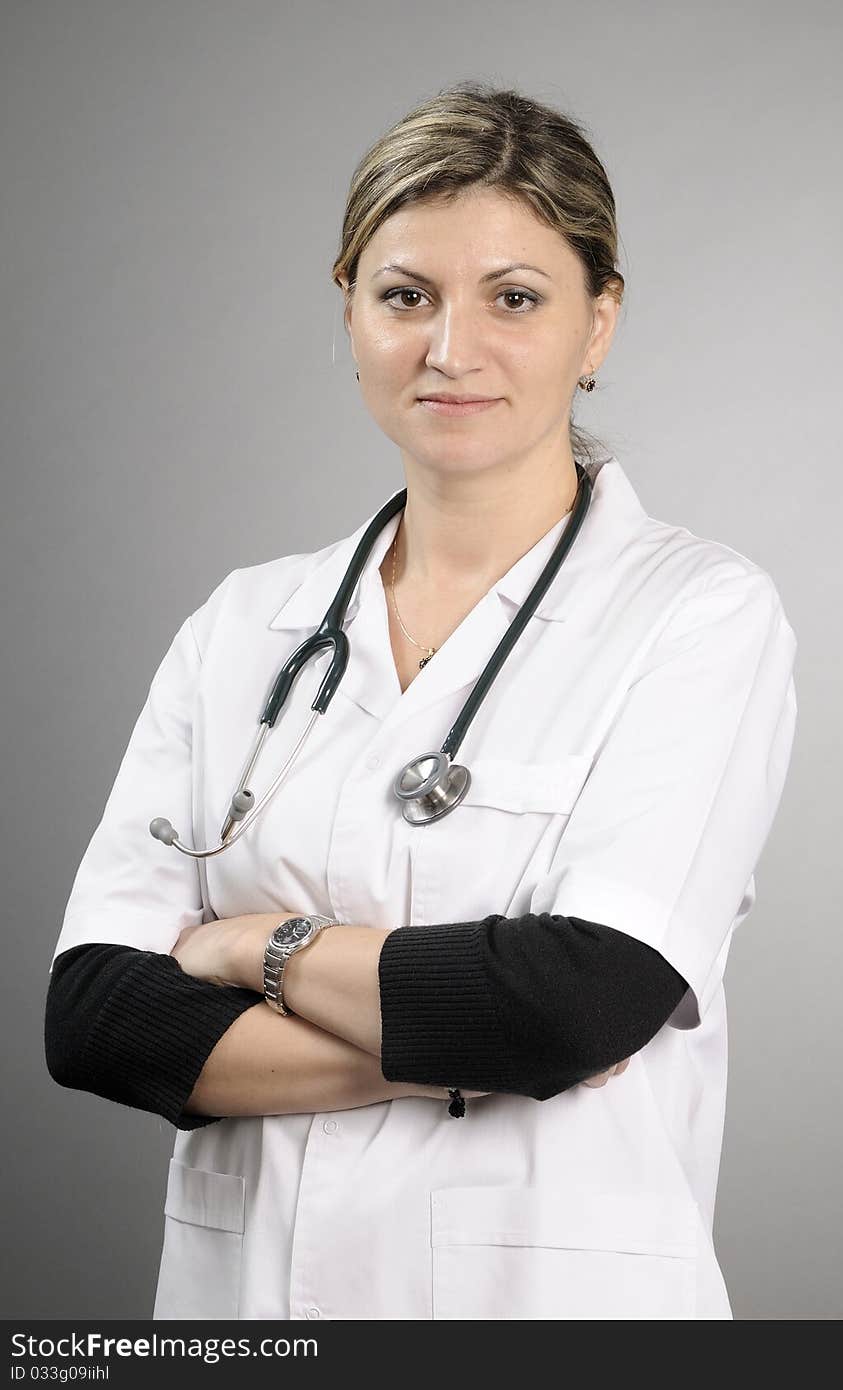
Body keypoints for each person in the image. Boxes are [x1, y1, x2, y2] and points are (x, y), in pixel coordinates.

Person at [44, 80, 797, 1321]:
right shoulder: (244, 626)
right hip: (244, 1312)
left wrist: (252, 950)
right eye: (405, 296)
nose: (451, 348)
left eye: (514, 297)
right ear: (347, 306)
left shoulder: (697, 614)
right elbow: (99, 1018)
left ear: (598, 324)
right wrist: (480, 1046)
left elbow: (577, 1000)